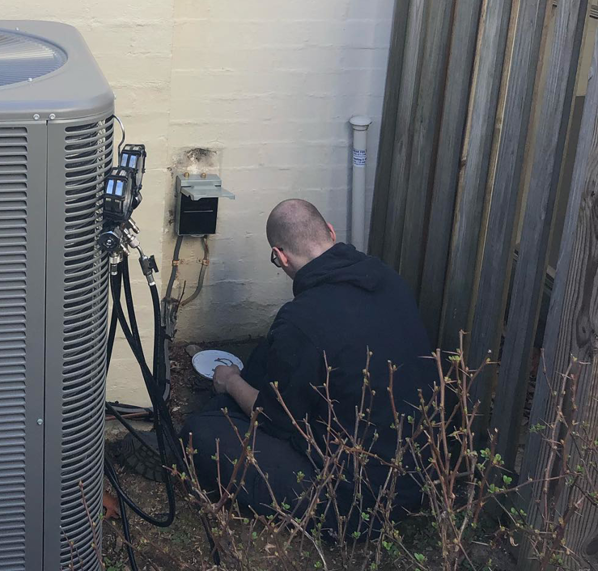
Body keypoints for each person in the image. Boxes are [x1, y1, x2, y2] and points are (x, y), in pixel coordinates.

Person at [179, 199, 436, 528]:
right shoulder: (387, 278)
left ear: (281, 256)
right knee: (270, 350)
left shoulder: (301, 320)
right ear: (330, 232)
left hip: (358, 499)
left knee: (200, 432)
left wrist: (230, 381)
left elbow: (275, 421)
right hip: (416, 472)